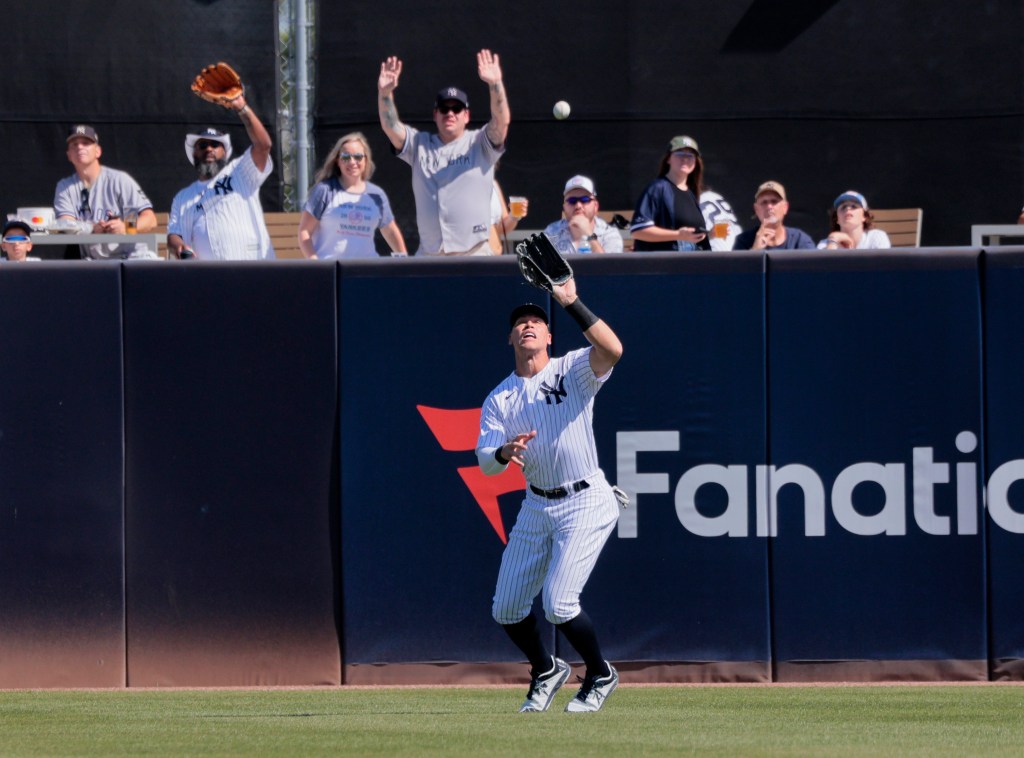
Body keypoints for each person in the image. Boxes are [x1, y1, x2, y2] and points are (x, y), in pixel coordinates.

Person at [476, 277, 624, 714]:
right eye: (520, 322)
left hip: (585, 497)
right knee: (505, 608)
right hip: (537, 504)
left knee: (559, 604)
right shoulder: (500, 397)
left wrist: (572, 301)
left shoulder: (573, 368)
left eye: (536, 321)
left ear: (549, 335)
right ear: (510, 337)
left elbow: (613, 350)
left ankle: (599, 673)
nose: (528, 325)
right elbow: (486, 460)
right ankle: (546, 668)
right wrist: (503, 452)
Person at [377, 50, 510, 255]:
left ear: (466, 115)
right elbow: (390, 127)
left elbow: (501, 123)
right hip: (430, 254)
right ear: (435, 114)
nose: (450, 113)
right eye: (444, 108)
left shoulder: (479, 143)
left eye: (456, 109)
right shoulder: (419, 144)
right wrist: (385, 93)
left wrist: (495, 84)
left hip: (475, 252)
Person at [167, 91, 274, 260]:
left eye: (215, 144)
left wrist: (242, 108)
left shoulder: (239, 171)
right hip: (209, 279)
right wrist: (179, 247)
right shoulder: (182, 198)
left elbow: (263, 145)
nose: (209, 149)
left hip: (253, 272)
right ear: (194, 153)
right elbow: (174, 234)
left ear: (224, 152)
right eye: (202, 145)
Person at [53, 124, 157, 259]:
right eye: (74, 144)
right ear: (69, 155)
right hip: (93, 263)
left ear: (98, 151)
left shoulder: (119, 180)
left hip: (132, 257)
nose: (80, 147)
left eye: (86, 143)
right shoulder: (65, 187)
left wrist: (125, 226)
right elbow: (65, 225)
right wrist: (91, 229)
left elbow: (149, 219)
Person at [298, 132, 407, 258]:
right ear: (338, 161)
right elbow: (304, 231)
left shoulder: (376, 195)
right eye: (346, 157)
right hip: (332, 271)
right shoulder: (324, 191)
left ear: (366, 160)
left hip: (367, 272)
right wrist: (315, 263)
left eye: (358, 157)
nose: (352, 162)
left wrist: (404, 263)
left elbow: (390, 231)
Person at [630, 135, 710, 252]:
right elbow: (638, 231)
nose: (685, 159)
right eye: (679, 154)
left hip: (691, 266)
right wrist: (678, 234)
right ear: (668, 159)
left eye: (690, 155)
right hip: (665, 267)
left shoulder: (691, 192)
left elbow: (690, 238)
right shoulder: (657, 188)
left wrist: (709, 234)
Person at [542, 175, 623, 254]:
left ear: (595, 206)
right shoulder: (551, 233)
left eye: (585, 200)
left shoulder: (609, 234)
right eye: (572, 200)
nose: (578, 206)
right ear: (564, 207)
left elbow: (608, 266)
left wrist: (589, 235)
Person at [732, 181, 816, 251]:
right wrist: (755, 250)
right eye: (764, 202)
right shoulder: (743, 241)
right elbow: (736, 270)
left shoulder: (799, 240)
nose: (769, 206)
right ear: (756, 209)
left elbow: (814, 268)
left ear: (785, 208)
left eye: (774, 201)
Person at [818, 190, 891, 250]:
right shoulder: (825, 244)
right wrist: (833, 241)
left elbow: (883, 265)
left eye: (854, 206)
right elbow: (825, 266)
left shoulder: (877, 237)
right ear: (837, 219)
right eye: (843, 207)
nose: (848, 209)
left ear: (864, 216)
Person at [489, 178, 528, 254]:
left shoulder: (492, 184)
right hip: (469, 258)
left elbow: (502, 227)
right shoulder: (460, 183)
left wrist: (513, 216)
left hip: (494, 258)